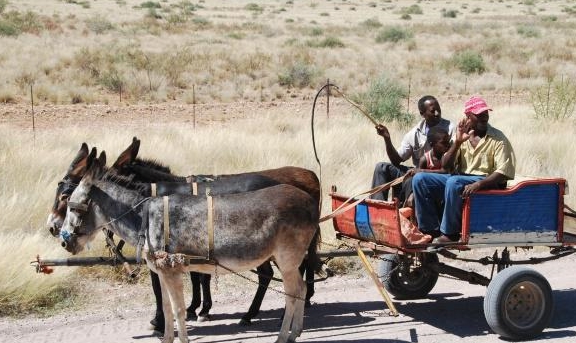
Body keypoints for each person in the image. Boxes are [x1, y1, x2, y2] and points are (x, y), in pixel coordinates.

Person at [412, 96, 516, 242]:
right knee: (420, 179)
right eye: (479, 114)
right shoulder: (462, 135)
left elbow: (503, 172)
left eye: (485, 113)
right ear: (468, 116)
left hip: (486, 180)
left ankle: (450, 233)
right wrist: (458, 142)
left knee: (454, 182)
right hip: (461, 178)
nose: (484, 117)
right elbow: (446, 166)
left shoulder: (498, 138)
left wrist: (479, 184)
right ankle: (429, 230)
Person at [371, 95, 454, 203]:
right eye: (433, 111)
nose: (437, 113)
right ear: (422, 114)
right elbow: (397, 160)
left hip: (438, 174)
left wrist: (419, 171)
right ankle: (378, 208)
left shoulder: (450, 128)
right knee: (381, 167)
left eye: (438, 109)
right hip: (418, 170)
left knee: (413, 179)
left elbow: (448, 167)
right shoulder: (414, 133)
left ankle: (406, 211)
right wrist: (387, 138)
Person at [402, 126, 451, 208]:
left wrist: (422, 171)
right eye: (443, 143)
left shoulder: (446, 156)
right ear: (432, 144)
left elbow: (445, 172)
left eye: (448, 142)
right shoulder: (425, 159)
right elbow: (418, 180)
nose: (447, 145)